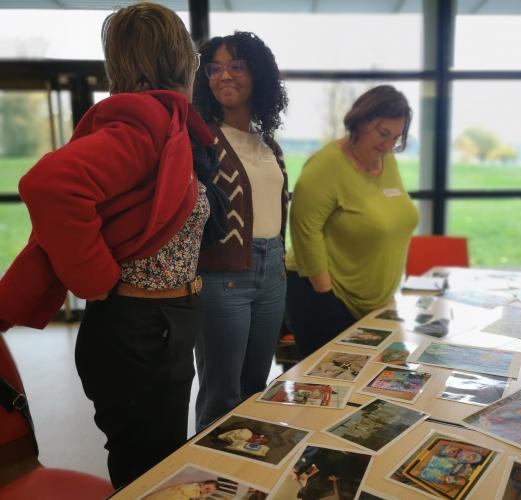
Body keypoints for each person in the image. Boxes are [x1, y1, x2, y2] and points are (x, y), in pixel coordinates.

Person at [0, 3, 229, 488]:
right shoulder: (143, 122)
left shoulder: (167, 124)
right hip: (138, 326)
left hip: (160, 322)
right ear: (181, 59)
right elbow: (51, 184)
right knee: (147, 468)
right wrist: (95, 279)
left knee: (156, 457)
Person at [192, 32, 289, 431]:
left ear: (258, 75)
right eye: (214, 69)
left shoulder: (269, 145)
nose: (223, 76)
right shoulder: (200, 139)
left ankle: (248, 478)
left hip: (273, 273)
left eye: (236, 65)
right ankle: (211, 483)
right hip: (223, 277)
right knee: (221, 396)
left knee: (255, 389)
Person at [286, 85, 418, 357]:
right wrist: (325, 297)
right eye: (383, 134)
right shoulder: (326, 166)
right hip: (324, 297)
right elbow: (304, 230)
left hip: (376, 303)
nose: (388, 145)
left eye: (395, 138)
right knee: (337, 389)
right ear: (359, 121)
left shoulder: (385, 159)